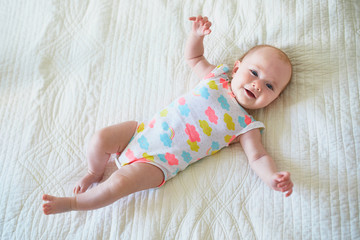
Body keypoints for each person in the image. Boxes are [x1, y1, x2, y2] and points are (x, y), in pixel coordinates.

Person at [42, 16, 293, 215]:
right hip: (140, 133)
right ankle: (94, 171)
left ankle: (74, 203)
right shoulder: (216, 78)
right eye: (254, 73)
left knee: (118, 185)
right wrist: (196, 35)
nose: (258, 85)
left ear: (275, 98)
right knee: (100, 138)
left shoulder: (246, 125)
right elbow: (194, 57)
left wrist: (271, 176)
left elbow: (258, 156)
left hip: (160, 163)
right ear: (236, 68)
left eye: (270, 86)